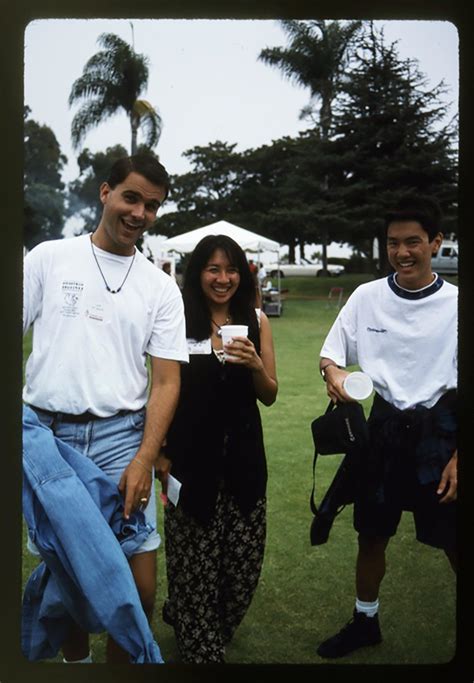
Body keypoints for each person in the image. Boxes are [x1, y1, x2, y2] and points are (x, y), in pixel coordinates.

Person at [22, 154, 189, 663]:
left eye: (153, 206)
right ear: (105, 192)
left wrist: (144, 459)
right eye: (132, 197)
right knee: (71, 577)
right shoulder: (49, 258)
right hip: (49, 439)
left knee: (139, 592)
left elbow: (165, 381)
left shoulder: (160, 286)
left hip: (122, 437)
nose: (140, 214)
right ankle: (80, 665)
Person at [316, 195, 457, 659]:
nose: (402, 253)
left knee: (458, 541)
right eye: (394, 243)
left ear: (436, 242)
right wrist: (335, 376)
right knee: (371, 534)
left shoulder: (458, 303)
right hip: (382, 429)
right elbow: (330, 355)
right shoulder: (366, 297)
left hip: (442, 432)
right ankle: (365, 620)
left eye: (413, 241)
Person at [159, 234, 278, 663]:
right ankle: (201, 645)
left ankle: (201, 624)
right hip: (192, 468)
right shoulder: (176, 320)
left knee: (240, 573)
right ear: (198, 273)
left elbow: (270, 395)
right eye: (213, 268)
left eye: (231, 269)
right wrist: (159, 458)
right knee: (194, 572)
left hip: (246, 468)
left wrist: (256, 365)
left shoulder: (257, 320)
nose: (223, 278)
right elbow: (160, 391)